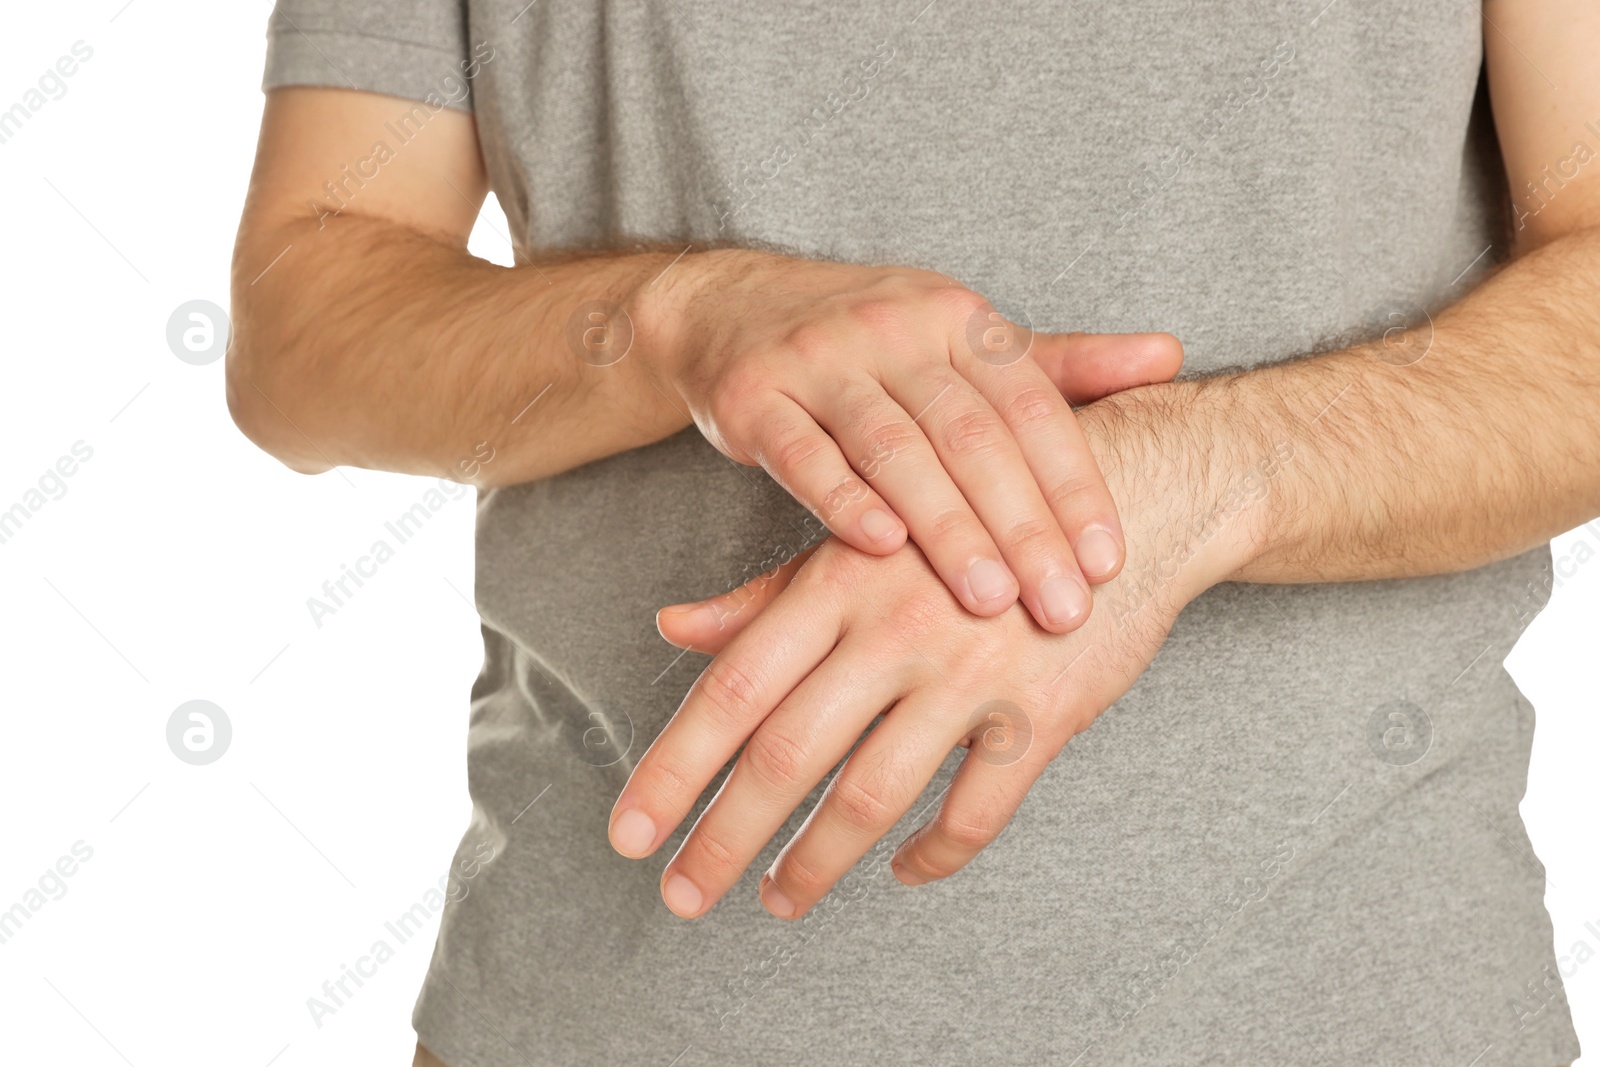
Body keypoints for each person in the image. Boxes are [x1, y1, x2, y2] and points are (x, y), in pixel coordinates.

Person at [231, 1, 1597, 1063]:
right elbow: (301, 323)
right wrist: (673, 322)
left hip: (1360, 1017)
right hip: (599, 1018)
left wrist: (1167, 490)